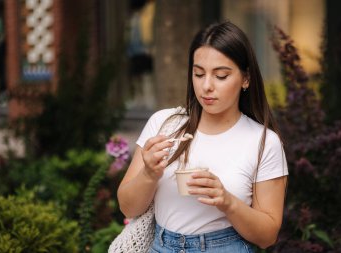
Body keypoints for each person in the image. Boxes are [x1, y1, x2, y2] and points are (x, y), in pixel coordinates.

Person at [117, 21, 288, 252]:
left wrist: (227, 202)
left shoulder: (264, 142)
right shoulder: (165, 124)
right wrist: (148, 174)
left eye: (221, 76)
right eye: (198, 73)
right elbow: (128, 208)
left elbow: (267, 236)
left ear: (245, 79)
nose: (206, 86)